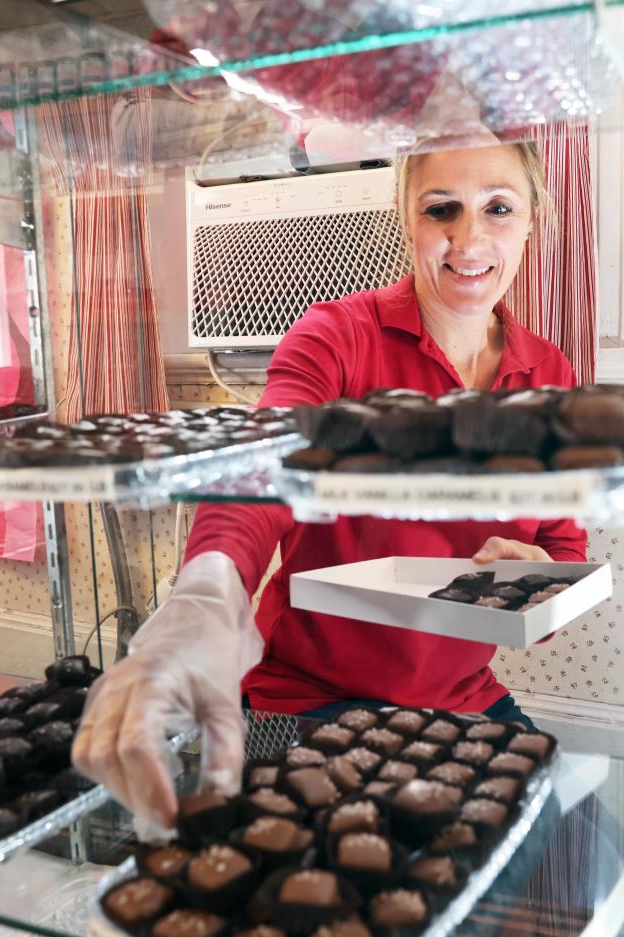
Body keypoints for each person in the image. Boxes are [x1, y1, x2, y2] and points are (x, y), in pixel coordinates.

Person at [73, 132, 588, 828]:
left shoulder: (549, 373)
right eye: (442, 209)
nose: (468, 238)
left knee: (566, 858)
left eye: (498, 208)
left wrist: (538, 580)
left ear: (533, 222)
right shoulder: (336, 336)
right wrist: (206, 598)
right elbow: (262, 470)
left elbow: (562, 542)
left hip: (466, 696)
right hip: (307, 699)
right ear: (407, 217)